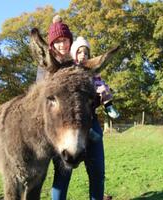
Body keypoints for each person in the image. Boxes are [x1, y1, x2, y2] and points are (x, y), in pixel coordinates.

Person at [37, 15, 108, 200]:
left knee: (97, 173)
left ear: (70, 41)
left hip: (88, 125)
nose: (62, 45)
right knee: (63, 176)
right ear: (51, 44)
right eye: (58, 41)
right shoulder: (46, 67)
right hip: (62, 130)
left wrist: (101, 97)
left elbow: (88, 95)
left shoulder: (78, 64)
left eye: (65, 40)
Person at [70, 36, 120, 120]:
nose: (83, 55)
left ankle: (108, 106)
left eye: (86, 53)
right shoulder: (73, 67)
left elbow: (96, 77)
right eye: (80, 52)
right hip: (82, 92)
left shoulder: (90, 65)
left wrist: (99, 84)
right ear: (75, 54)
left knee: (104, 89)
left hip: (93, 86)